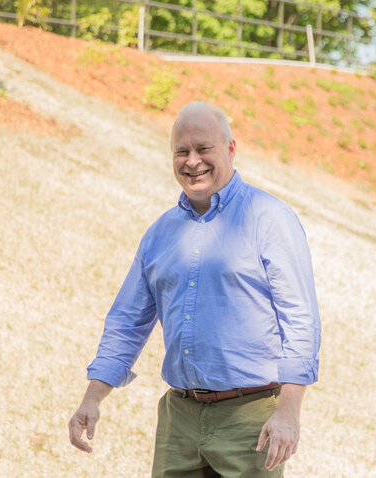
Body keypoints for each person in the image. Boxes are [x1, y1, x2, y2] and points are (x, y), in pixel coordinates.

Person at [68, 101, 322, 477]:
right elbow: (127, 322)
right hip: (179, 419)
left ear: (230, 149)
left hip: (250, 420)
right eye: (181, 151)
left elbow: (300, 318)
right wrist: (93, 397)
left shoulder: (269, 219)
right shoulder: (160, 234)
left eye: (204, 149)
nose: (192, 161)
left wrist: (289, 411)